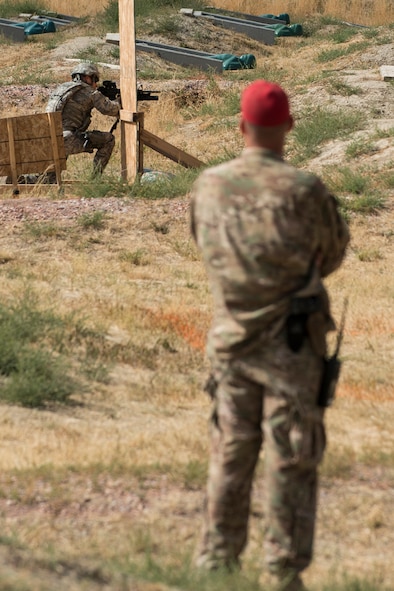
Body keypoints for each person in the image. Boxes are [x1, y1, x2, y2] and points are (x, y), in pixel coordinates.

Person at [190, 80, 350, 591]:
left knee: (232, 451)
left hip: (232, 340)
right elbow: (333, 253)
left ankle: (217, 562)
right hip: (293, 345)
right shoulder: (305, 190)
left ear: (241, 127)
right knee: (291, 457)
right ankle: (282, 573)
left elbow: (205, 244)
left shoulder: (209, 185)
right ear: (289, 128)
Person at [46, 62, 120, 177]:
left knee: (49, 178)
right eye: (94, 79)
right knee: (108, 140)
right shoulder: (89, 92)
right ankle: (95, 180)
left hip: (49, 138)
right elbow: (110, 109)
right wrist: (119, 101)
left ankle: (30, 180)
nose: (95, 84)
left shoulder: (62, 88)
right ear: (86, 77)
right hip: (67, 140)